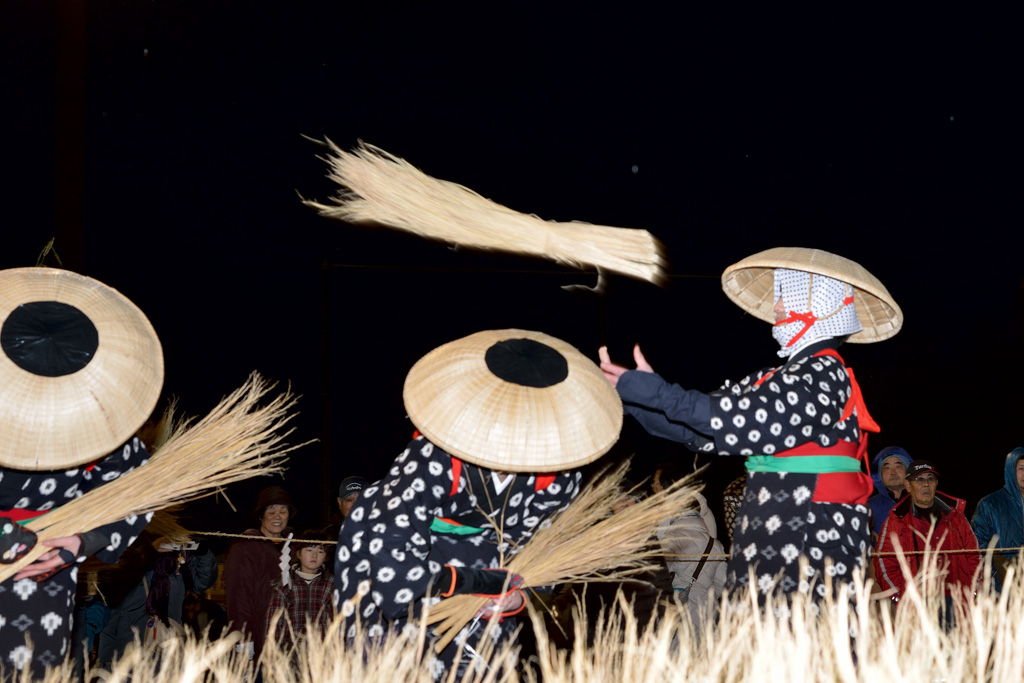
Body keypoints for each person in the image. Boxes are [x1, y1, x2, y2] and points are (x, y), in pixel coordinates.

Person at [599, 247, 902, 604]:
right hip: (769, 524)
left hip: (814, 528)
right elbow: (700, 430)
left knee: (804, 630)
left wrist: (661, 394)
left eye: (786, 297)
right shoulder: (771, 378)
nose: (776, 307)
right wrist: (630, 401)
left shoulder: (827, 373)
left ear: (819, 306)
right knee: (763, 630)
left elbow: (742, 418)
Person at [334, 329, 622, 681]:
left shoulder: (558, 476)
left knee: (483, 660)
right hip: (397, 548)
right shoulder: (431, 456)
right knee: (398, 655)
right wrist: (477, 581)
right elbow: (395, 574)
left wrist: (517, 596)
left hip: (489, 563)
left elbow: (539, 555)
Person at [0, 267, 163, 678]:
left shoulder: (102, 429)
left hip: (43, 576)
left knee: (33, 670)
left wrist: (82, 540)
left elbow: (137, 493)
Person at [874, 460, 980, 619]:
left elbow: (974, 555)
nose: (926, 484)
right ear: (908, 485)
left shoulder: (956, 516)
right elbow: (884, 562)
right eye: (919, 480)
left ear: (936, 483)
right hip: (916, 603)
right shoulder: (896, 520)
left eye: (930, 479)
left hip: (957, 600)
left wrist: (974, 590)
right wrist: (898, 595)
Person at [97, 534, 218, 666]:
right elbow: (111, 618)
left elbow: (202, 581)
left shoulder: (175, 571)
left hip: (165, 650)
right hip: (128, 652)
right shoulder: (128, 572)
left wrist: (203, 553)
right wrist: (106, 661)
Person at [224, 485, 295, 660]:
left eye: (283, 511)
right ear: (261, 515)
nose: (278, 516)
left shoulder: (296, 547)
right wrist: (243, 639)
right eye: (271, 511)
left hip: (289, 637)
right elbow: (238, 597)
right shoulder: (245, 547)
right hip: (259, 636)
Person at [653, 463, 727, 626]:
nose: (654, 489)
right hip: (707, 609)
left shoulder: (671, 537)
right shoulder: (715, 543)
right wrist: (707, 594)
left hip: (680, 606)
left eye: (656, 484)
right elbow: (722, 580)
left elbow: (659, 569)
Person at [265, 530, 335, 656]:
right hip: (290, 651)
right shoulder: (285, 584)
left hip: (323, 652)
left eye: (320, 551)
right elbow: (274, 621)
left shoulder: (331, 584)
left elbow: (337, 619)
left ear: (325, 557)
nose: (314, 556)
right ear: (298, 554)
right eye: (309, 550)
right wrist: (274, 652)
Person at [970, 447, 1024, 590]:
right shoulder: (990, 504)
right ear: (1011, 470)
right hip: (1001, 586)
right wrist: (1000, 561)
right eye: (1021, 468)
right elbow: (976, 543)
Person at [868, 447, 911, 535]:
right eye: (886, 468)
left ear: (908, 471)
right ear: (879, 475)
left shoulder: (923, 503)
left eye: (898, 467)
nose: (893, 473)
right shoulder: (869, 507)